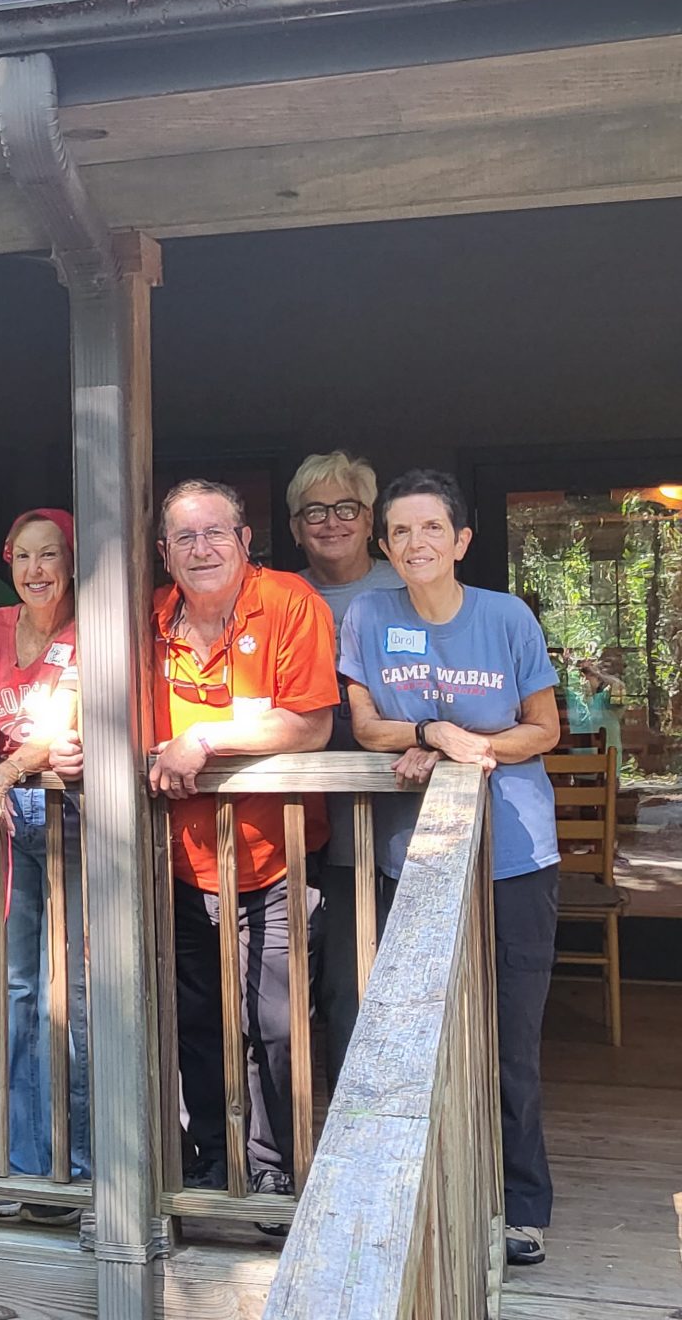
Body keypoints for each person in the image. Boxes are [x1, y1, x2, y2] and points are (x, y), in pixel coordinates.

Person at [340, 468, 561, 1268]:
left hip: (514, 857)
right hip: (412, 859)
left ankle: (520, 1204)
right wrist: (432, 731)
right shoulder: (370, 613)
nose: (416, 544)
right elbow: (367, 728)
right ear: (385, 544)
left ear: (461, 540)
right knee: (413, 1035)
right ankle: (424, 1189)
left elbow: (543, 728)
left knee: (509, 1040)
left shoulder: (505, 617)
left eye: (431, 528)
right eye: (400, 532)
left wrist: (473, 750)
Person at [149, 480, 336, 1222]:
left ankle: (279, 1175)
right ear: (163, 553)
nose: (201, 549)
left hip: (276, 858)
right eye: (184, 538)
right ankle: (211, 1165)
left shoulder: (290, 604)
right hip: (179, 863)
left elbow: (309, 725)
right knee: (196, 1021)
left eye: (214, 533)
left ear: (245, 538)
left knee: (275, 1023)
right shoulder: (151, 617)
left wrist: (203, 737)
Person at [0, 508, 88, 1223]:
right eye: (24, 556)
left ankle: (80, 1163)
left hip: (75, 821)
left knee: (73, 998)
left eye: (51, 555)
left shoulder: (92, 625)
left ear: (72, 560)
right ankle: (24, 1161)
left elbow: (61, 725)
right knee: (18, 989)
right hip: (11, 819)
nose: (37, 570)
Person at [285, 451, 403, 1084]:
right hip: (307, 813)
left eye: (346, 509)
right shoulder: (280, 593)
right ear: (297, 526)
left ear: (369, 518)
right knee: (333, 967)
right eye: (314, 512)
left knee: (399, 957)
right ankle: (339, 1102)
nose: (331, 523)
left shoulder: (404, 586)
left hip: (396, 804)